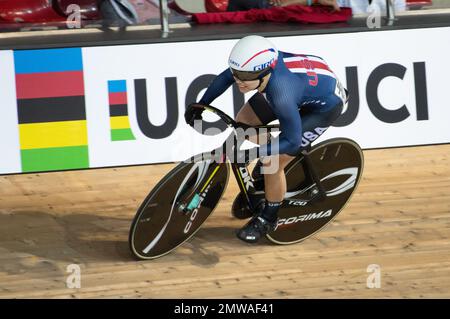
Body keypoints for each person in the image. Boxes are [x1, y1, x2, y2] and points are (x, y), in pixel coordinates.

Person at [184, 35, 347, 243]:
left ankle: (269, 217)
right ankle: (270, 179)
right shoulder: (253, 70)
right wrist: (201, 104)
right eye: (237, 73)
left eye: (245, 76)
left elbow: (292, 142)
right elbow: (226, 77)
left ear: (265, 72)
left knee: (273, 161)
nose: (239, 81)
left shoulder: (281, 93)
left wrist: (258, 153)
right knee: (244, 120)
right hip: (303, 84)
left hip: (324, 107)